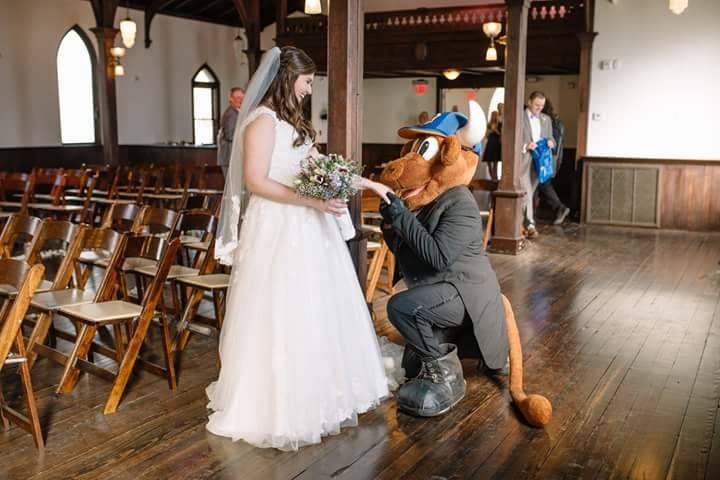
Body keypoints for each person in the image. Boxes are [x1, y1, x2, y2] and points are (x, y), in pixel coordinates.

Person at [207, 46, 394, 451]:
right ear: (287, 79)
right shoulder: (260, 121)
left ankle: (324, 395)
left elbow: (325, 167)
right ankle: (281, 406)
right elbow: (256, 181)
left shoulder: (295, 124)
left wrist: (371, 184)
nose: (310, 89)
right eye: (307, 81)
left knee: (317, 307)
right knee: (282, 310)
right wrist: (312, 202)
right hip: (277, 226)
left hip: (309, 226)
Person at [520, 91, 555, 238]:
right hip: (523, 159)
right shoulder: (519, 116)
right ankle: (530, 224)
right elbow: (509, 136)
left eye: (542, 106)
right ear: (529, 102)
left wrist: (551, 142)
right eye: (536, 105)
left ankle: (521, 223)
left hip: (539, 161)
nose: (539, 108)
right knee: (526, 191)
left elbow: (551, 137)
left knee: (529, 193)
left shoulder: (546, 119)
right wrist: (525, 145)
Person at [539, 98, 570, 225]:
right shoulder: (557, 121)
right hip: (555, 158)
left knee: (543, 183)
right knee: (542, 184)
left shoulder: (547, 121)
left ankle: (560, 207)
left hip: (547, 157)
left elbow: (550, 143)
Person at [217, 87, 245, 177]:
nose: (240, 100)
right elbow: (230, 135)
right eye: (237, 97)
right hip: (229, 157)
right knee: (231, 188)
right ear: (230, 99)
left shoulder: (238, 112)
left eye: (242, 97)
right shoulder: (231, 114)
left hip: (232, 157)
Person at [482, 110, 502, 181]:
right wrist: (490, 130)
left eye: (495, 115)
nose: (493, 116)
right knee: (488, 161)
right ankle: (492, 177)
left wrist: (495, 130)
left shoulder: (499, 124)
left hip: (496, 143)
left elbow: (501, 134)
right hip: (490, 143)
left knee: (495, 161)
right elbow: (486, 135)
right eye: (492, 115)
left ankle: (495, 177)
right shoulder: (489, 124)